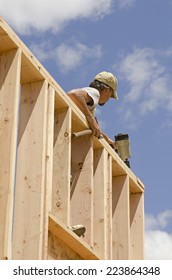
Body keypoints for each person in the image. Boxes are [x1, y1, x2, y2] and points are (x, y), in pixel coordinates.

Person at [67, 71, 118, 146]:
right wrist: (90, 118)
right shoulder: (95, 93)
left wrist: (106, 139)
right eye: (111, 95)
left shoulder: (90, 101)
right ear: (107, 90)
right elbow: (74, 94)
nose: (108, 99)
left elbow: (93, 127)